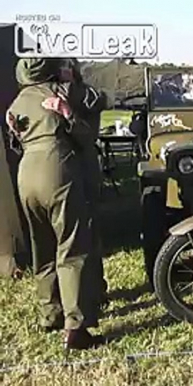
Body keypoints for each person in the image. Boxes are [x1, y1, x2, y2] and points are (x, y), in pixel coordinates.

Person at [5, 58, 103, 350]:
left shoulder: (18, 101)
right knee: (72, 248)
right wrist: (68, 112)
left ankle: (50, 314)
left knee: (42, 246)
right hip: (57, 169)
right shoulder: (63, 92)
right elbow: (87, 134)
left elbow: (17, 140)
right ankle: (76, 326)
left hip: (26, 174)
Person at [53, 58, 109, 309]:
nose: (62, 72)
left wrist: (68, 105)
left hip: (84, 165)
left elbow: (101, 101)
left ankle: (96, 289)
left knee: (89, 228)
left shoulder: (86, 94)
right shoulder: (50, 92)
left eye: (67, 67)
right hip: (61, 169)